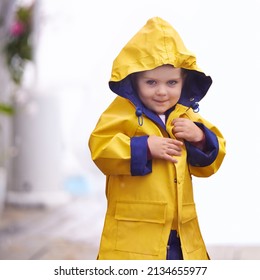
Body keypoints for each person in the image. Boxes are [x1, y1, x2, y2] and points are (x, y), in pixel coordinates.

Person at [88, 17, 226, 260]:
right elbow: (100, 148)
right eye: (151, 82)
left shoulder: (187, 114)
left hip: (181, 232)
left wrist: (200, 138)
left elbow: (215, 156)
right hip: (135, 233)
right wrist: (144, 147)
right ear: (135, 80)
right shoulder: (122, 111)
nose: (162, 91)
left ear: (184, 81)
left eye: (172, 82)